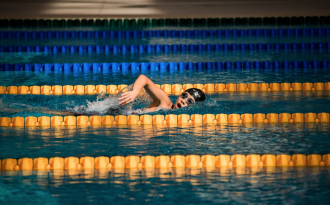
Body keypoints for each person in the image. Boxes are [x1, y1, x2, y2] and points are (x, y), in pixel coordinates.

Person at [118, 74, 206, 111]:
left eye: (189, 101)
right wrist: (135, 92)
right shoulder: (165, 102)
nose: (184, 100)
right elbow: (143, 78)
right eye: (184, 96)